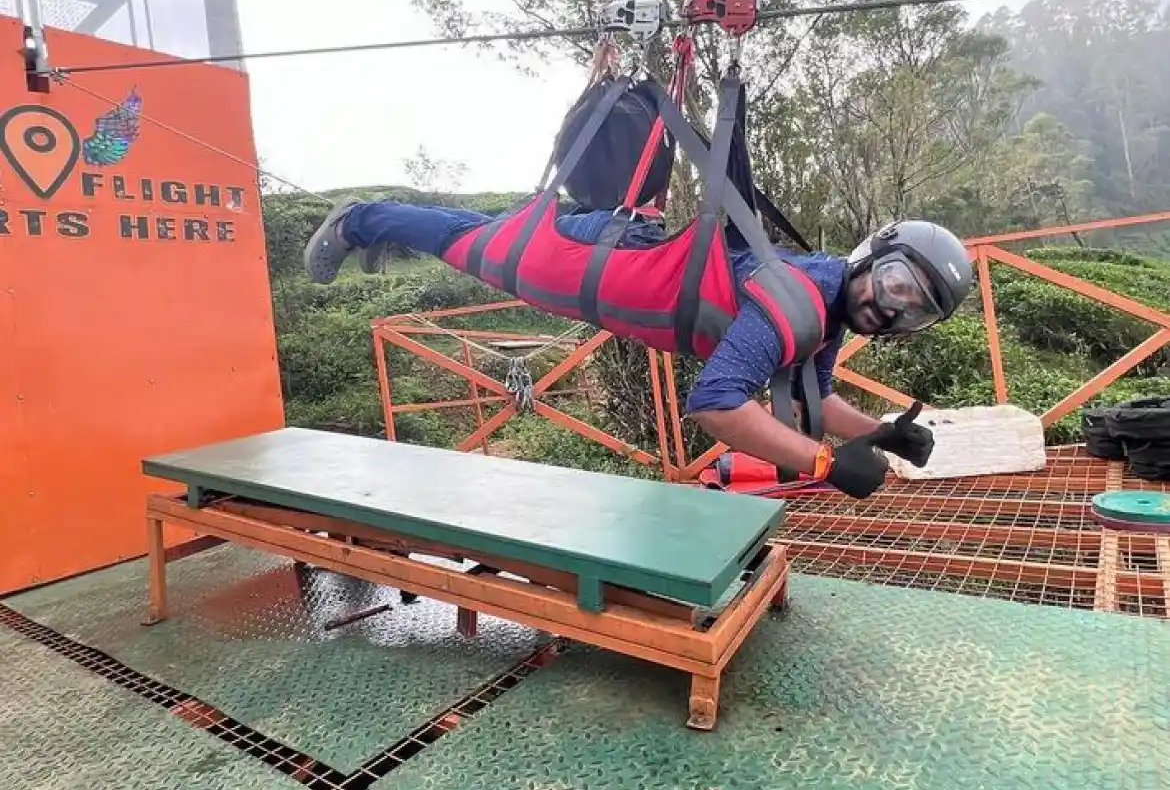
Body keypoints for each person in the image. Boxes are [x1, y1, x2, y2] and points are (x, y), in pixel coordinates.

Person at [304, 198, 973, 499]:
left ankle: (379, 227)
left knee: (479, 236)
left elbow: (811, 400)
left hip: (623, 267)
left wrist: (881, 434)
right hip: (595, 269)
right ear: (873, 257)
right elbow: (714, 404)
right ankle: (362, 219)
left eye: (914, 310)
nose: (890, 306)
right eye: (895, 283)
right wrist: (826, 464)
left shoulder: (828, 305)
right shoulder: (796, 298)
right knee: (476, 244)